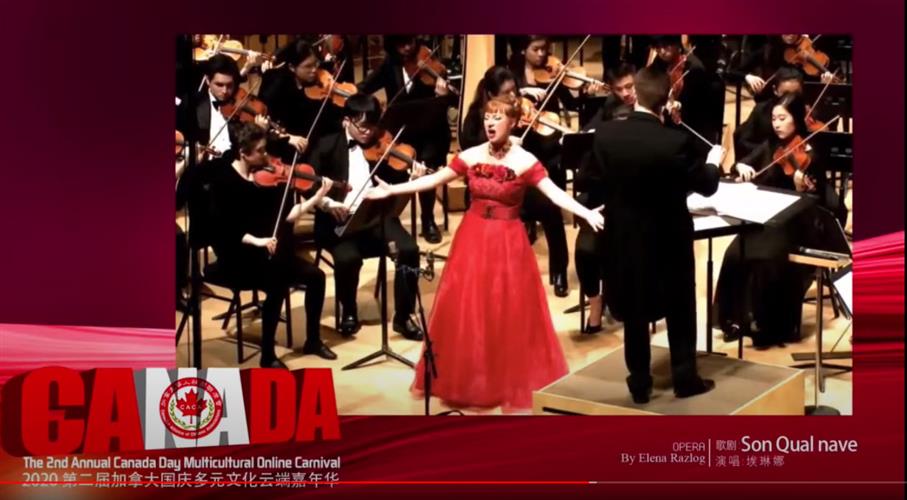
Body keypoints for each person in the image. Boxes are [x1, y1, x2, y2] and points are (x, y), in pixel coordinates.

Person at [366, 94, 604, 413]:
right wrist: (393, 189)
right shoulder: (472, 154)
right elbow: (435, 179)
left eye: (497, 118)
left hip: (508, 242)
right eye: (487, 118)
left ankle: (501, 377)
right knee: (470, 308)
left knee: (505, 308)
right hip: (473, 237)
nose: (490, 123)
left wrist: (585, 212)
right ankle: (473, 378)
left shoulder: (524, 161)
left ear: (513, 122)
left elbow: (555, 194)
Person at [592, 67, 725, 403]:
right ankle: (685, 379)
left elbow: (592, 180)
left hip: (623, 237)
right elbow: (706, 185)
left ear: (635, 93)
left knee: (634, 311)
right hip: (668, 239)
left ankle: (639, 382)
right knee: (680, 306)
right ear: (667, 99)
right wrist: (713, 161)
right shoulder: (674, 142)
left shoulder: (605, 135)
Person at [716, 92, 847, 348]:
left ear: (796, 119)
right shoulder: (770, 145)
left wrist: (801, 187)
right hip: (766, 217)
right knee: (733, 253)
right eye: (774, 118)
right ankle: (733, 319)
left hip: (797, 221)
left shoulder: (811, 152)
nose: (776, 123)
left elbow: (819, 197)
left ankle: (767, 324)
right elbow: (741, 164)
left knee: (768, 257)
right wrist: (740, 167)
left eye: (782, 118)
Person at [206, 122, 337, 366]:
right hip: (239, 255)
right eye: (260, 151)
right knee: (277, 285)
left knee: (316, 277)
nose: (266, 155)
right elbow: (225, 229)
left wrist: (317, 198)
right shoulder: (224, 181)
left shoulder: (267, 179)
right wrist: (258, 241)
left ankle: (313, 340)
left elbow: (287, 216)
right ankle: (268, 355)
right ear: (243, 153)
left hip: (271, 252)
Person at [308, 94, 424, 341]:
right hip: (339, 222)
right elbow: (308, 184)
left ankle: (404, 316)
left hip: (375, 218)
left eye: (373, 126)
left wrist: (412, 179)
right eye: (362, 127)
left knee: (409, 250)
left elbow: (395, 180)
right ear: (346, 121)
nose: (369, 132)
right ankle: (349, 310)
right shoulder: (326, 145)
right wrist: (328, 203)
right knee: (348, 258)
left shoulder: (381, 146)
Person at [509, 36, 605, 297]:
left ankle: (559, 270)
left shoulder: (552, 72)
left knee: (553, 201)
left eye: (545, 49)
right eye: (536, 49)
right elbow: (500, 103)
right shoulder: (511, 75)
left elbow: (571, 104)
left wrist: (586, 92)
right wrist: (520, 94)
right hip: (521, 142)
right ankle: (529, 222)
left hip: (549, 140)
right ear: (523, 50)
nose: (542, 54)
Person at [357, 35, 452, 244]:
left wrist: (442, 96)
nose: (408, 48)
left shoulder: (430, 64)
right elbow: (362, 89)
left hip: (429, 132)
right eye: (402, 44)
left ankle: (427, 219)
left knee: (426, 162)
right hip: (399, 132)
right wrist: (373, 107)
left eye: (411, 42)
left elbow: (452, 101)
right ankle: (390, 219)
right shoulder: (388, 66)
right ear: (393, 46)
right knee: (387, 163)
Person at [258, 38, 343, 163]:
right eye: (308, 66)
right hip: (285, 146)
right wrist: (287, 137)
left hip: (315, 140)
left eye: (316, 64)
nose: (314, 70)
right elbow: (264, 121)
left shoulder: (319, 78)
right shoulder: (275, 85)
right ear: (292, 67)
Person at [733, 67, 805, 160]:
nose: (790, 99)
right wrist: (770, 153)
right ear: (775, 90)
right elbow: (744, 142)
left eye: (796, 94)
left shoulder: (806, 111)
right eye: (785, 94)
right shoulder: (761, 110)